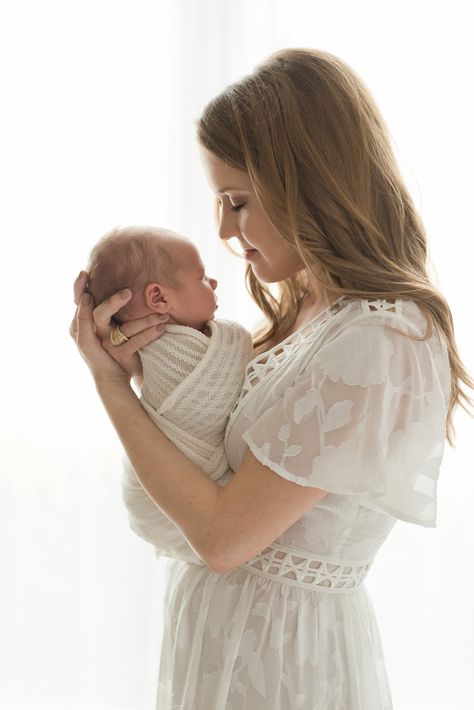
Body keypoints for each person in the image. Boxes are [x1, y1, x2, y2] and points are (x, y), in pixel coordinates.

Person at [70, 48, 474, 710]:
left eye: (238, 201)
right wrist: (142, 361)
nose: (224, 230)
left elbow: (224, 539)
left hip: (286, 663)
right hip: (228, 644)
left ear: (309, 185)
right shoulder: (303, 316)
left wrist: (109, 387)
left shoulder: (378, 336)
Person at [85, 225, 254, 565]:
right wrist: (115, 378)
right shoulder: (181, 351)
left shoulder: (183, 349)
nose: (214, 283)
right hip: (189, 512)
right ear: (159, 298)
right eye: (203, 277)